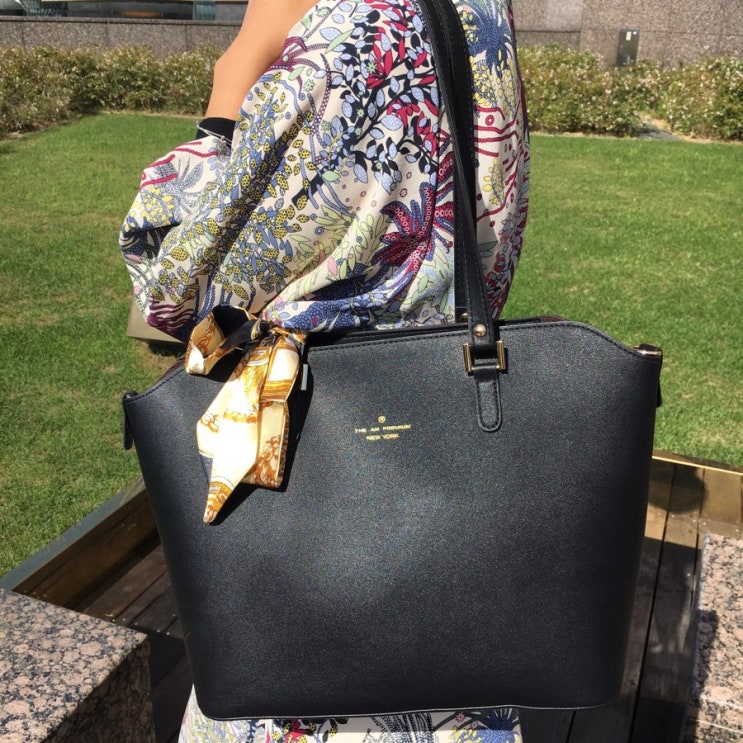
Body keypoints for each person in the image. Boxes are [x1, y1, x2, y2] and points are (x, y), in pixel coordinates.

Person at [120, 0, 530, 740]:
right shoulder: (479, 10)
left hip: (293, 534)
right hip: (460, 629)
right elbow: (490, 241)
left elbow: (177, 290)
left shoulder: (338, 27)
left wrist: (232, 82)